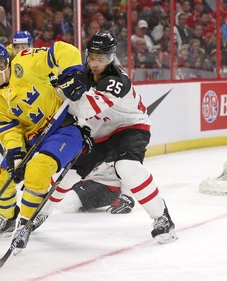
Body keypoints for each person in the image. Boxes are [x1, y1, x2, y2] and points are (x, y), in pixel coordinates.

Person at [43, 31, 177, 244]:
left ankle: (162, 217)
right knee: (69, 172)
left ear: (111, 57)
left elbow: (85, 109)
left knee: (127, 166)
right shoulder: (82, 74)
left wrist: (63, 92)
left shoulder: (116, 80)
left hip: (130, 127)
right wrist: (59, 87)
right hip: (99, 133)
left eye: (102, 58)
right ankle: (39, 213)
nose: (96, 63)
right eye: (92, 57)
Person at [0, 40, 87, 250]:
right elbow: (7, 128)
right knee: (0, 179)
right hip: (31, 139)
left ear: (2, 64)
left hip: (62, 129)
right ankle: (7, 220)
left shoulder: (26, 62)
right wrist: (16, 153)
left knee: (38, 170)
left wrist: (73, 72)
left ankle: (25, 224)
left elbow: (63, 49)